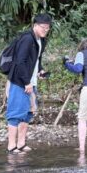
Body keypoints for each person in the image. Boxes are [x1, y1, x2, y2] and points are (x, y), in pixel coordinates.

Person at [6, 12, 52, 153]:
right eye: (43, 27)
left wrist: (40, 71)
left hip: (31, 82)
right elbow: (20, 62)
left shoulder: (41, 41)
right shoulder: (27, 39)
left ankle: (21, 144)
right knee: (15, 114)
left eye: (48, 27)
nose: (45, 30)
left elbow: (36, 60)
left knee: (28, 114)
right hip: (20, 82)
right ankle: (11, 146)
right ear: (35, 25)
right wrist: (26, 82)